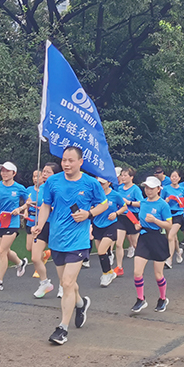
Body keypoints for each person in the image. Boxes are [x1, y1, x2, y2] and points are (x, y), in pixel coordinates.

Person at [32, 146, 108, 345]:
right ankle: (81, 303)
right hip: (57, 239)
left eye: (71, 160)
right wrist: (40, 225)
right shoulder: (52, 182)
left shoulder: (90, 183)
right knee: (68, 284)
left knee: (66, 283)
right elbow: (46, 205)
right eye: (64, 160)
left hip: (79, 241)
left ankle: (62, 329)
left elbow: (104, 204)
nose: (66, 164)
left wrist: (89, 214)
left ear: (80, 162)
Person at [131, 177, 173, 312]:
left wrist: (155, 220)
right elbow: (141, 220)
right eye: (146, 188)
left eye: (151, 188)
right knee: (137, 272)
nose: (148, 191)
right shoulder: (143, 203)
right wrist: (138, 225)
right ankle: (140, 299)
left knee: (158, 274)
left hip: (157, 238)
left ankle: (162, 298)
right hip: (144, 238)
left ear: (158, 189)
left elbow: (169, 225)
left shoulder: (163, 205)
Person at [0, 162, 29, 292]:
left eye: (7, 171)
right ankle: (20, 263)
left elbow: (29, 201)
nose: (4, 173)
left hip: (13, 222)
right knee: (5, 250)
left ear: (13, 173)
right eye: (2, 171)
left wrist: (20, 209)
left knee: (2, 252)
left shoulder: (19, 188)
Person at [29, 162, 61, 299]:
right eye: (44, 172)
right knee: (35, 257)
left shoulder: (60, 187)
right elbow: (42, 205)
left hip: (57, 226)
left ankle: (63, 286)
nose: (44, 174)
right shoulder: (41, 188)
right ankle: (45, 283)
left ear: (55, 175)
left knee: (60, 259)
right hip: (42, 224)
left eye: (48, 172)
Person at [92, 176, 126, 287]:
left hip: (111, 225)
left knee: (101, 250)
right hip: (97, 224)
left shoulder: (115, 195)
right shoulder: (95, 195)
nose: (100, 185)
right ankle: (109, 271)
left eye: (103, 183)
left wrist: (116, 213)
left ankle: (106, 274)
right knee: (101, 252)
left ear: (109, 183)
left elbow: (124, 207)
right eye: (99, 183)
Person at [117, 167, 144, 270]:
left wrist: (129, 202)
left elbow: (141, 203)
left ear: (131, 177)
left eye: (125, 175)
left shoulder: (135, 189)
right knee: (118, 243)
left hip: (132, 217)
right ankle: (119, 267)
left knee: (135, 243)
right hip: (121, 217)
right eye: (122, 175)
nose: (123, 177)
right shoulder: (119, 188)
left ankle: (140, 264)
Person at [161, 170, 184, 267]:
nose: (174, 178)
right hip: (168, 214)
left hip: (178, 214)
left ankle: (169, 259)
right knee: (174, 237)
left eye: (176, 176)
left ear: (179, 178)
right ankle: (178, 251)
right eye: (172, 176)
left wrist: (182, 203)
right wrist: (166, 201)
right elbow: (161, 201)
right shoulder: (166, 189)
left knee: (170, 236)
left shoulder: (183, 189)